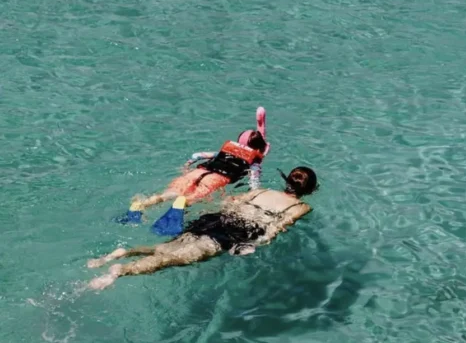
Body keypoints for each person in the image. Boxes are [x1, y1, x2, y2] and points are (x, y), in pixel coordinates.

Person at [88, 166, 318, 290]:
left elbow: (231, 202)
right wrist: (253, 243)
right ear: (310, 189)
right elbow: (276, 228)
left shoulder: (262, 191)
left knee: (168, 248)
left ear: (286, 179)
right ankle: (121, 270)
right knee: (175, 259)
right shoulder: (301, 206)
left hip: (215, 218)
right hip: (236, 231)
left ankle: (125, 252)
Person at [123, 108, 270, 222]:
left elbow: (197, 155)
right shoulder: (254, 164)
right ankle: (183, 203)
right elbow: (254, 183)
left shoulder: (222, 152)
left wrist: (186, 166)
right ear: (258, 149)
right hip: (216, 179)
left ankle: (142, 204)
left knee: (167, 194)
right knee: (190, 198)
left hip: (198, 172)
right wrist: (253, 194)